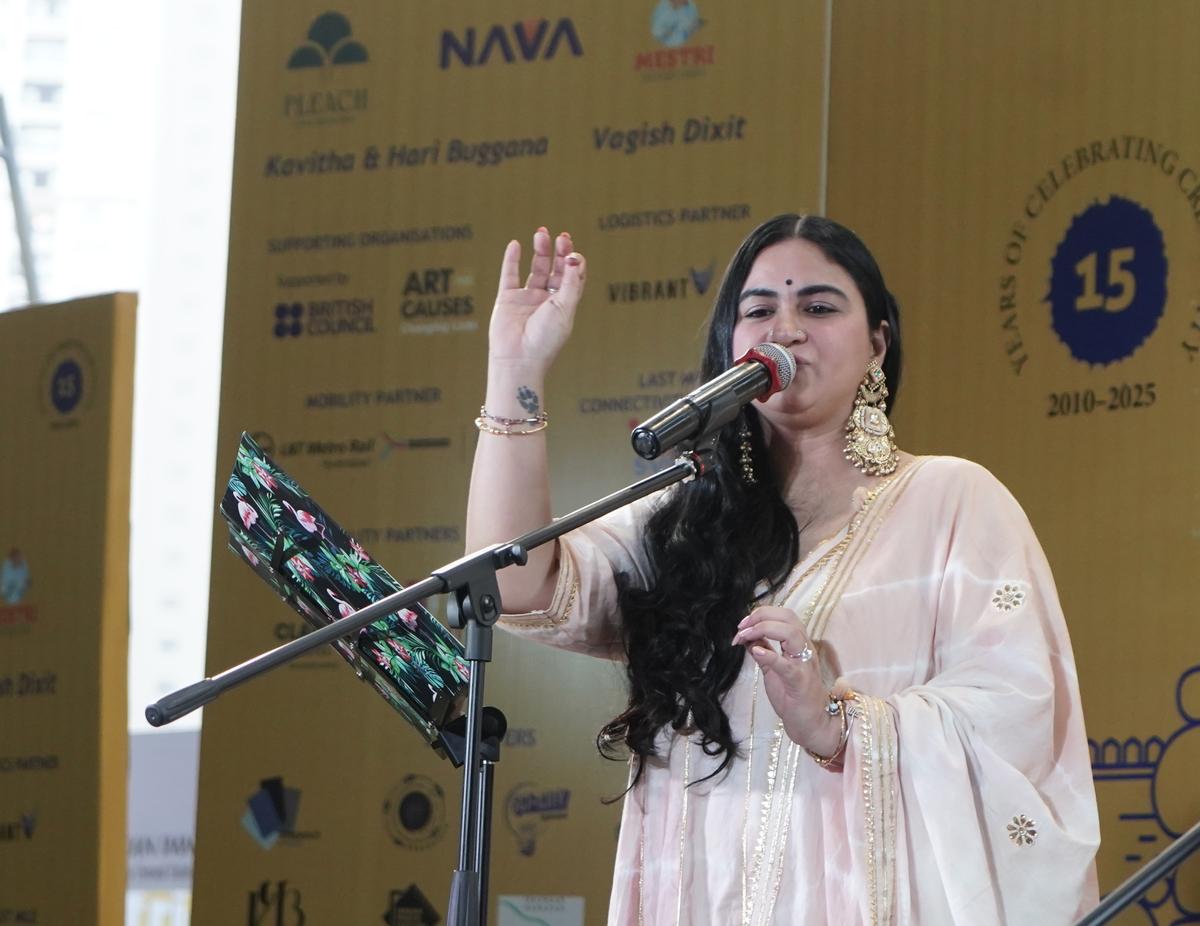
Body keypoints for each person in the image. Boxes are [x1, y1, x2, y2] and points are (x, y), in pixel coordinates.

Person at [466, 215, 1100, 925]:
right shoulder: (681, 523)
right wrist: (514, 372)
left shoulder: (952, 500)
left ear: (878, 345)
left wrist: (838, 724)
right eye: (759, 309)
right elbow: (513, 584)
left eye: (819, 306)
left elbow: (1017, 717)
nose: (786, 329)